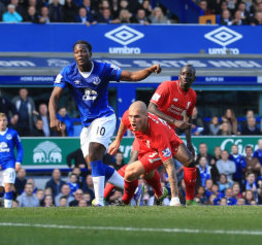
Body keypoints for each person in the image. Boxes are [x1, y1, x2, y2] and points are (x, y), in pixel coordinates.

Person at [49, 40, 162, 206]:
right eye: (77, 52)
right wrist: (52, 118)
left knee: (95, 150)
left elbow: (130, 76)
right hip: (87, 124)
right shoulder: (68, 72)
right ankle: (135, 190)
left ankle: (99, 201)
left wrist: (149, 70)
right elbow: (54, 96)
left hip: (104, 117)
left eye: (83, 51)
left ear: (90, 53)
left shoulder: (103, 69)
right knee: (94, 165)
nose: (80, 54)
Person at [109, 101, 195, 207]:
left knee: (130, 172)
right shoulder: (129, 117)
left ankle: (126, 202)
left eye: (136, 117)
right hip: (145, 143)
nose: (132, 120)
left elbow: (169, 166)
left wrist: (175, 199)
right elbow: (123, 121)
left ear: (146, 116)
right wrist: (117, 141)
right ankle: (160, 193)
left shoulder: (158, 132)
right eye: (131, 116)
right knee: (147, 174)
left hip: (162, 145)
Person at [147, 65, 199, 204]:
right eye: (183, 74)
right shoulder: (167, 86)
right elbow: (150, 108)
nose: (185, 77)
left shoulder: (192, 95)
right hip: (154, 131)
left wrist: (189, 143)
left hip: (170, 134)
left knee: (189, 161)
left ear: (194, 78)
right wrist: (175, 121)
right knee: (144, 170)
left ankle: (189, 200)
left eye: (189, 75)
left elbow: (188, 119)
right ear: (179, 75)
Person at [0, 113, 24, 208]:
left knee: (8, 187)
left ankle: (7, 211)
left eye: (4, 120)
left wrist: (18, 161)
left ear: (7, 122)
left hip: (10, 163)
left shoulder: (13, 133)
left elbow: (20, 148)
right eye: (0, 120)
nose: (2, 122)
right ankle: (1, 197)